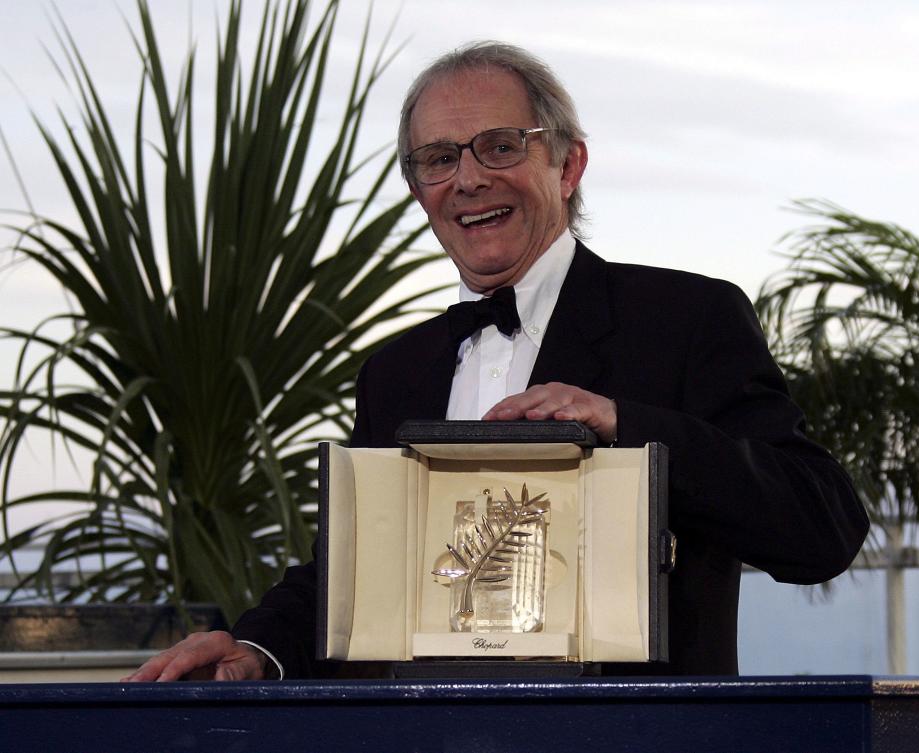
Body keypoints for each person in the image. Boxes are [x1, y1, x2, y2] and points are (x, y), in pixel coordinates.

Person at [124, 41, 868, 682]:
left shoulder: (686, 319)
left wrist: (625, 424)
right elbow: (355, 573)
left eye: (500, 146)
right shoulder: (395, 371)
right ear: (419, 192)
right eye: (439, 159)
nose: (469, 178)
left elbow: (822, 526)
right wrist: (255, 646)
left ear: (569, 164)